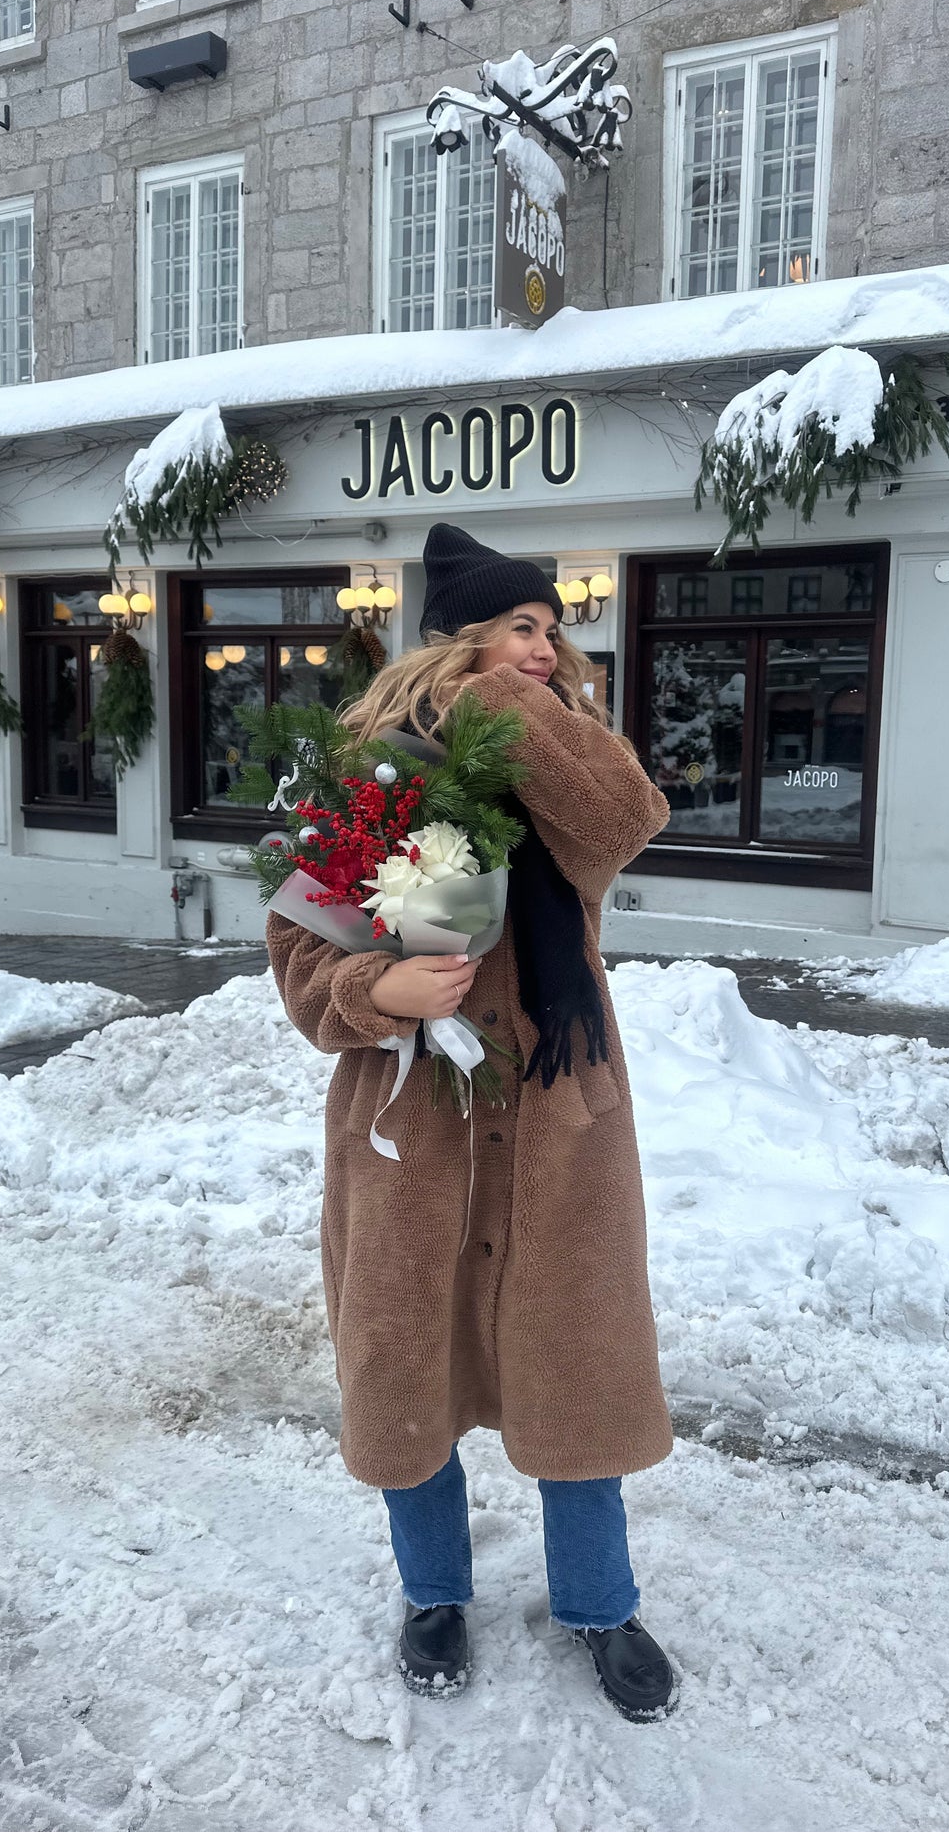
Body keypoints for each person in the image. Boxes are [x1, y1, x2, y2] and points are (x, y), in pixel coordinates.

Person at [266, 521, 677, 1721]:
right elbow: (297, 950)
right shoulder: (370, 773)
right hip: (411, 1121)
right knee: (410, 1370)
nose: (544, 646)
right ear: (453, 639)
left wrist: (513, 702)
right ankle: (432, 1590)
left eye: (552, 628)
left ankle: (600, 1602)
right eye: (517, 625)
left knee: (577, 1361)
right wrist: (371, 989)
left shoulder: (571, 757)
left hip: (559, 1116)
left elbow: (624, 820)